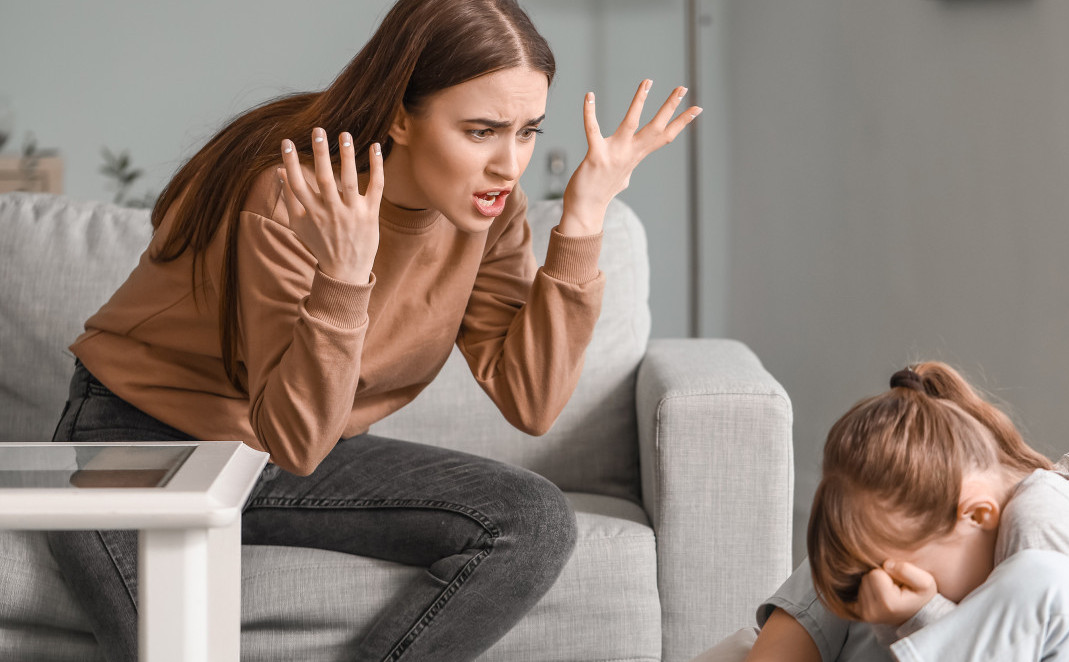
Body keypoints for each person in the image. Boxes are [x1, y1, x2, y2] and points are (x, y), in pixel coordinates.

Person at [47, 0, 701, 660]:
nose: (510, 164)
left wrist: (584, 219)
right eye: (481, 131)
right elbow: (297, 439)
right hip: (143, 444)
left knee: (531, 519)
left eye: (527, 130)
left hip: (282, 449)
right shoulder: (289, 196)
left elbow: (532, 400)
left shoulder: (491, 214)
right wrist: (344, 276)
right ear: (400, 117)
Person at [746, 362, 1069, 662]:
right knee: (853, 538)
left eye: (900, 577)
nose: (885, 589)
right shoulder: (970, 512)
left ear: (977, 515)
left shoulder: (1038, 526)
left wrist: (921, 614)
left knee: (1048, 580)